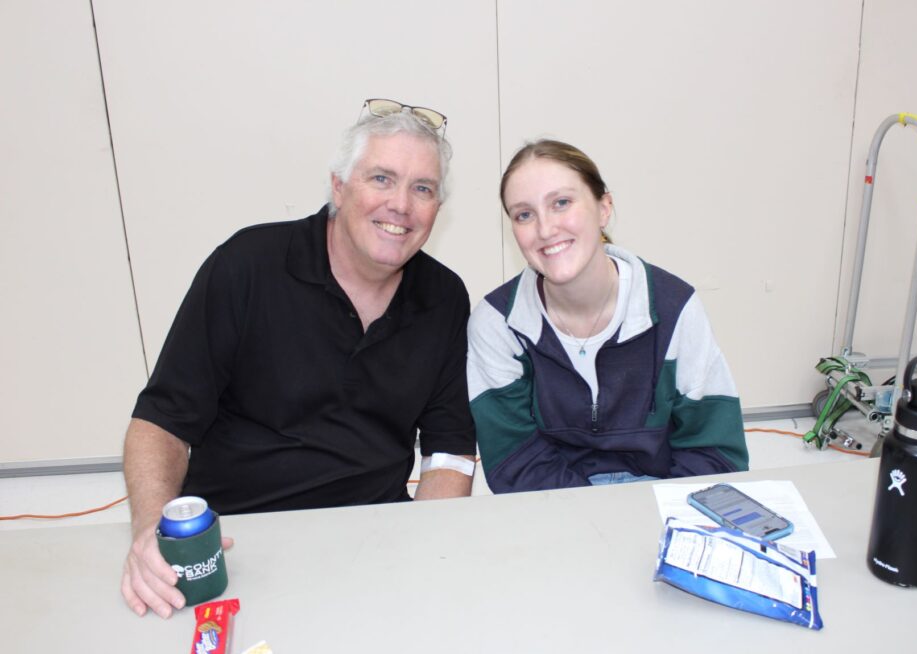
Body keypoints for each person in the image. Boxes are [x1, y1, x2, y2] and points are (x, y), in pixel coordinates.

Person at [122, 99, 477, 618]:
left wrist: (419, 553)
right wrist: (153, 533)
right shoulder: (246, 266)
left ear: (436, 211)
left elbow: (448, 451)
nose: (401, 204)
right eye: (381, 178)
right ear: (338, 187)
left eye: (422, 188)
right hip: (235, 546)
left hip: (372, 542)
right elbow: (161, 423)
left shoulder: (443, 298)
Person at [467, 139, 748, 493]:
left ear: (604, 208)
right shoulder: (497, 325)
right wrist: (596, 524)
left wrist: (653, 519)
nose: (545, 229)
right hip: (552, 506)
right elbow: (514, 463)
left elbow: (717, 453)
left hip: (661, 495)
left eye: (562, 203)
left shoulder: (675, 309)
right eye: (524, 214)